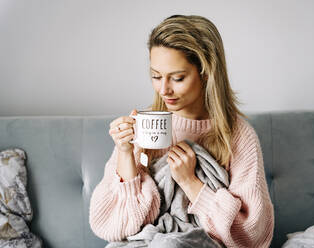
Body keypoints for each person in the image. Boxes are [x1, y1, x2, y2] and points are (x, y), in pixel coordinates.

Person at [89, 14, 274, 248]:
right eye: (156, 76)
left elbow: (252, 235)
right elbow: (110, 226)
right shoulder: (142, 126)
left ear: (206, 73)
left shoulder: (237, 135)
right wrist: (125, 152)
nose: (164, 89)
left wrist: (190, 182)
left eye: (177, 78)